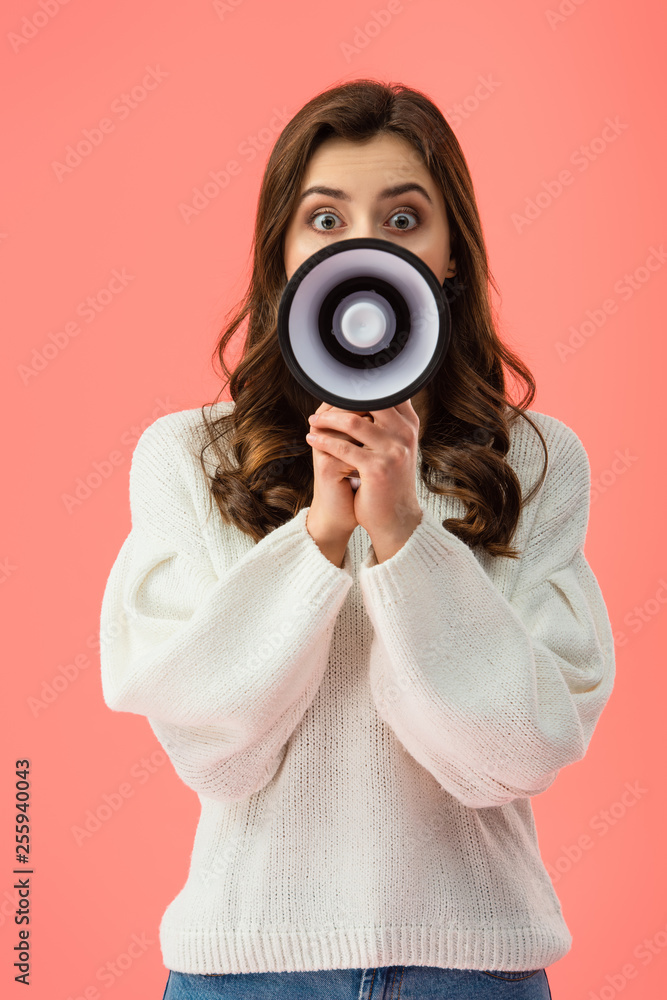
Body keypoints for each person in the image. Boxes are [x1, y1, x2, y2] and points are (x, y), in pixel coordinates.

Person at [99, 79, 615, 999]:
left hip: (472, 968)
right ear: (284, 254)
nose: (367, 247)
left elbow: (513, 753)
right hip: (249, 969)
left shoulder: (533, 461)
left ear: (450, 254)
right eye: (326, 220)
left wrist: (407, 536)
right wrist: (321, 538)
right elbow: (215, 750)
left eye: (404, 217)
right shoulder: (188, 457)